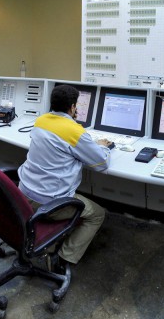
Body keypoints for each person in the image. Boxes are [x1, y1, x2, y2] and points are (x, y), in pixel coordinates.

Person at [18, 84, 111, 272]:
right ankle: (63, 258)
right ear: (73, 106)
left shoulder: (41, 121)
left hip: (22, 195)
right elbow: (102, 163)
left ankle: (51, 240)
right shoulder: (74, 132)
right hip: (49, 204)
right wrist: (102, 146)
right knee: (97, 214)